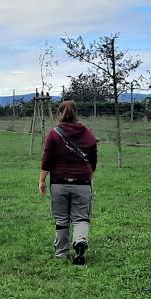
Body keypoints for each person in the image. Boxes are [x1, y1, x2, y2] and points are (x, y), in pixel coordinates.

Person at [39, 100, 97, 265]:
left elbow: (47, 159)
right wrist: (89, 179)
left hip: (59, 183)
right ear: (76, 114)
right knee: (81, 218)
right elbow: (92, 160)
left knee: (61, 220)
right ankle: (80, 243)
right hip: (82, 183)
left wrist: (42, 180)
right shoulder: (88, 133)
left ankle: (61, 253)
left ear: (59, 114)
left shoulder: (53, 134)